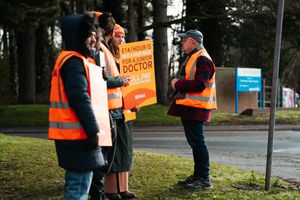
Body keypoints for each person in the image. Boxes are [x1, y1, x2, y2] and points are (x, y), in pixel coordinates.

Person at [48, 12, 106, 199]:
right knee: (78, 189)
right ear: (78, 36)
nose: (93, 39)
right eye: (89, 35)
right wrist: (93, 130)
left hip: (73, 136)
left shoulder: (72, 59)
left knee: (79, 186)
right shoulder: (73, 61)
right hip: (78, 136)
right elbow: (79, 98)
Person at [90, 13, 136, 200]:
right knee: (110, 152)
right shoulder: (100, 50)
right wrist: (119, 81)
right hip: (109, 108)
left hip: (119, 107)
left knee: (121, 150)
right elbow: (100, 78)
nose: (121, 39)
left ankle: (116, 189)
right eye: (117, 34)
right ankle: (105, 191)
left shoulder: (105, 50)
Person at [167, 29, 217, 190]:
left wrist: (177, 84)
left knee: (198, 143)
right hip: (191, 107)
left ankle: (204, 178)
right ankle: (198, 176)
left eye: (184, 40)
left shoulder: (202, 59)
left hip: (196, 108)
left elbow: (200, 84)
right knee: (195, 143)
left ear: (193, 42)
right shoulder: (196, 56)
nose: (182, 42)